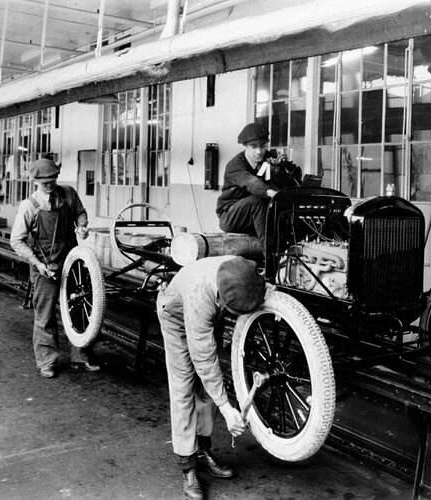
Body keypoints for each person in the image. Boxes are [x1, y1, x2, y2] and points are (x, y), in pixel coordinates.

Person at [156, 255, 270, 500]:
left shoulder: (242, 270)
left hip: (210, 316)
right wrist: (228, 410)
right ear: (221, 298)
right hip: (175, 316)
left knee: (206, 390)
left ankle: (202, 451)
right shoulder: (201, 298)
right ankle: (188, 466)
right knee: (185, 387)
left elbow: (265, 291)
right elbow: (204, 362)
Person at [10, 158, 100, 378]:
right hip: (45, 265)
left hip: (71, 261)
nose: (49, 185)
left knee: (79, 308)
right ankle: (47, 361)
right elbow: (16, 241)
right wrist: (38, 264)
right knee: (45, 313)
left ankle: (81, 356)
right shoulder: (29, 206)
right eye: (44, 182)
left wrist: (82, 226)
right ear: (34, 181)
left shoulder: (68, 194)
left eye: (52, 180)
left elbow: (81, 212)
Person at [216, 123, 285, 251]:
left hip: (255, 216)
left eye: (263, 146)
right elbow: (250, 182)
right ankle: (271, 257)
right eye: (253, 147)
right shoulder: (235, 165)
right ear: (245, 146)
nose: (259, 151)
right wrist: (270, 192)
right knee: (257, 201)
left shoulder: (268, 158)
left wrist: (282, 168)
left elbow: (284, 182)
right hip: (230, 215)